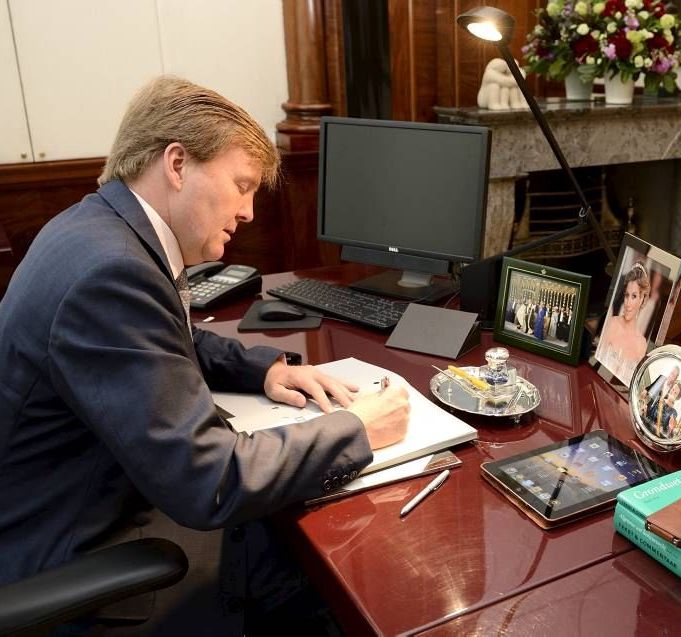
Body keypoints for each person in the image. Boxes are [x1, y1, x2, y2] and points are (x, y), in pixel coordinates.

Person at [0, 76, 411, 635]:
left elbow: (171, 338)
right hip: (72, 550)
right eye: (242, 185)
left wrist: (265, 369)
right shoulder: (111, 272)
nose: (247, 212)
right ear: (177, 164)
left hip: (62, 504)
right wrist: (355, 429)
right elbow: (210, 482)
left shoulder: (95, 229)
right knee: (330, 565)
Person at [595, 262, 651, 385]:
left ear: (642, 299)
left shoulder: (642, 344)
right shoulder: (612, 323)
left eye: (634, 296)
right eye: (627, 295)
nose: (628, 303)